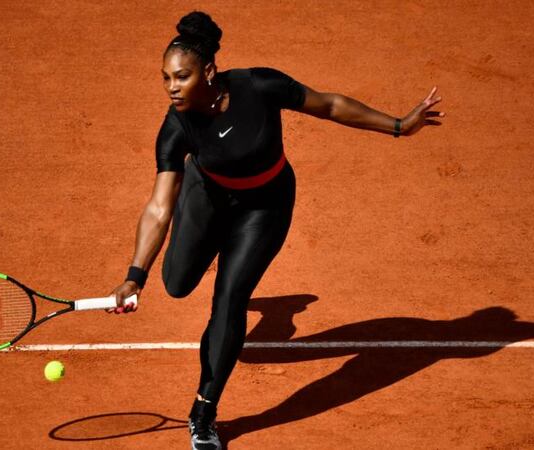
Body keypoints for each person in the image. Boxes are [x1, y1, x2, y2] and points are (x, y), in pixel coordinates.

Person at [107, 10, 444, 450]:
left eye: (181, 77)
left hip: (265, 206)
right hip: (207, 198)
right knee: (177, 283)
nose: (171, 88)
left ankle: (204, 412)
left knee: (229, 299)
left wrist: (399, 125)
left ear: (208, 72)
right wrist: (136, 275)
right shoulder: (176, 128)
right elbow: (158, 207)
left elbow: (330, 105)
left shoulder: (259, 87)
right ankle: (276, 311)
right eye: (166, 78)